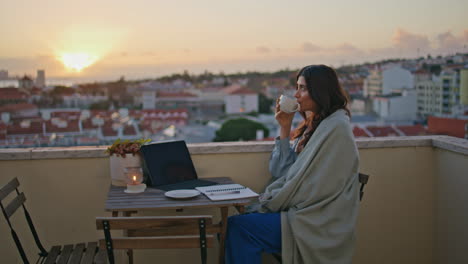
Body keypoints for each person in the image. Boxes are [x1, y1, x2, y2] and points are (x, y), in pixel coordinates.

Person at [225, 65, 360, 264]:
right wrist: (285, 127)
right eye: (297, 87)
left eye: (303, 88)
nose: (296, 94)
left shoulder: (336, 128)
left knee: (238, 228)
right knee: (234, 227)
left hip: (318, 220)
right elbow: (281, 171)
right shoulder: (314, 126)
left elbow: (316, 187)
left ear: (320, 91)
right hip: (301, 213)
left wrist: (269, 202)